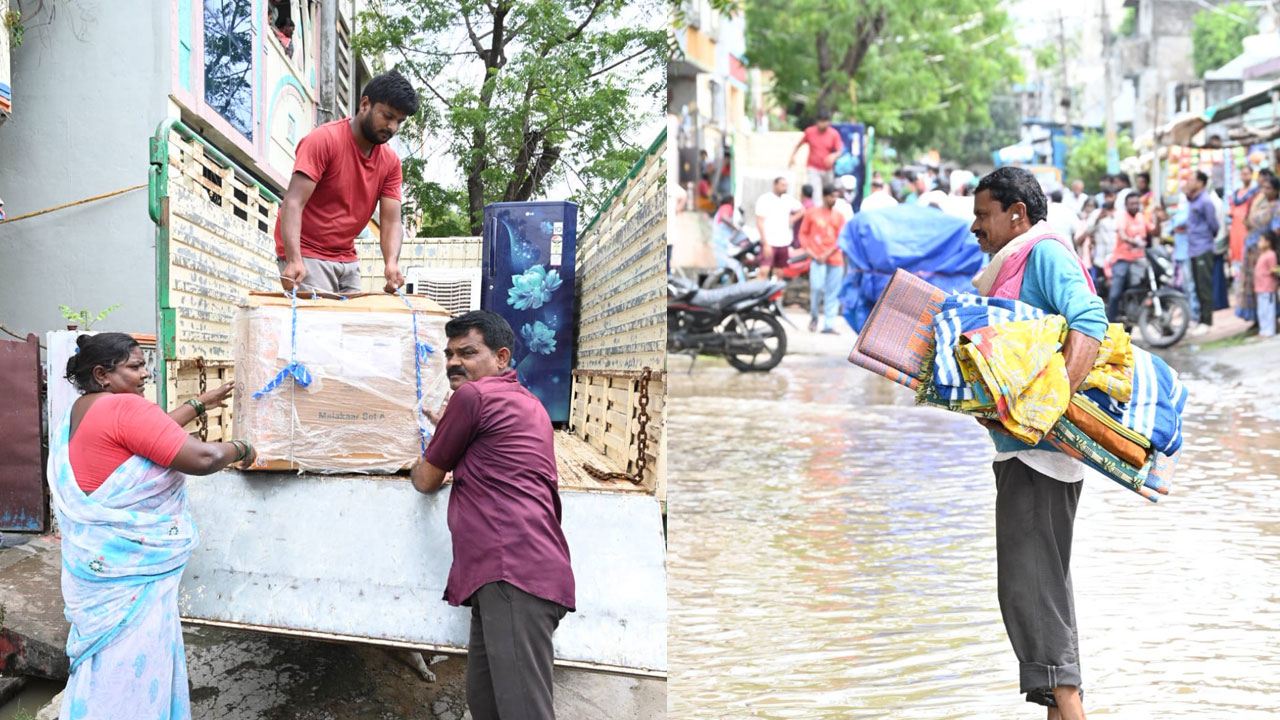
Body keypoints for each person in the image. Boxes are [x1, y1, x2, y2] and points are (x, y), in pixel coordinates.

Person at [48, 333, 254, 719]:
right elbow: (206, 458)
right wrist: (245, 450)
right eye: (135, 366)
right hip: (130, 581)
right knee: (133, 669)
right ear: (101, 374)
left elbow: (142, 434)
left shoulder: (81, 410)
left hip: (96, 577)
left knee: (105, 669)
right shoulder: (124, 408)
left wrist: (199, 404)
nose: (146, 374)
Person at [969, 167, 1105, 720]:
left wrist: (1046, 409)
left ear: (1016, 214)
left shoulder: (1044, 254)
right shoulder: (1010, 267)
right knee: (1041, 606)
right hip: (1024, 457)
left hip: (1040, 459)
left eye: (984, 214)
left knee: (1034, 607)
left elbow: (1089, 321)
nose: (975, 226)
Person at [411, 311, 574, 720]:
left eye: (468, 352)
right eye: (449, 354)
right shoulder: (529, 403)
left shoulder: (473, 397)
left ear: (502, 357)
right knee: (484, 702)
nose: (453, 362)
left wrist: (419, 455)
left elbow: (427, 479)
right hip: (509, 574)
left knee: (522, 712)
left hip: (512, 572)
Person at [276, 71, 419, 295]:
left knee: (351, 326)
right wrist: (294, 259)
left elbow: (391, 221)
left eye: (399, 122)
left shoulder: (390, 163)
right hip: (306, 251)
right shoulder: (324, 140)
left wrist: (391, 262)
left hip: (346, 255)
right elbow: (293, 202)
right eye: (387, 116)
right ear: (365, 105)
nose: (392, 127)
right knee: (319, 327)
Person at [798, 186, 846, 334]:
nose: (834, 200)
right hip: (816, 258)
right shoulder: (811, 213)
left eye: (836, 197)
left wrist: (828, 254)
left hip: (834, 259)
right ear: (825, 197)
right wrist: (810, 252)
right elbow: (803, 234)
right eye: (832, 196)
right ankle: (814, 317)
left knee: (833, 292)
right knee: (816, 288)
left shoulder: (839, 216)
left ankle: (829, 324)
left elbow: (841, 239)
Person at [1106, 192, 1156, 321]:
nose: (1134, 206)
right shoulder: (1122, 217)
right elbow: (1122, 233)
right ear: (1126, 205)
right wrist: (1133, 241)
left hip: (1139, 260)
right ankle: (1110, 322)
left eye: (1136, 203)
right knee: (1115, 293)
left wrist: (1160, 219)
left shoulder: (1141, 217)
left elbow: (1154, 231)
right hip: (1122, 259)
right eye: (1131, 204)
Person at [1238, 176, 1280, 326]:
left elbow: (1276, 230)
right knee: (1255, 286)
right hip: (1254, 251)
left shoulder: (1276, 207)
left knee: (1267, 288)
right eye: (1264, 188)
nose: (1265, 191)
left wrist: (1267, 247)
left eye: (1268, 188)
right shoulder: (1262, 204)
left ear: (1276, 191)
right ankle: (1259, 320)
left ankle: (1271, 321)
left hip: (1265, 253)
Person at [1186, 170, 1221, 329]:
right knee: (1198, 287)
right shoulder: (1194, 200)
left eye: (1191, 179)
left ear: (1200, 183)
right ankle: (1201, 320)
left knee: (1204, 287)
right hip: (1193, 249)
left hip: (1203, 248)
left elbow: (1214, 225)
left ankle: (1207, 321)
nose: (1189, 182)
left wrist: (1206, 239)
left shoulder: (1206, 201)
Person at [754, 177, 804, 281]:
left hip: (783, 241)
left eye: (786, 185)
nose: (784, 187)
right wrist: (765, 243)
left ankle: (777, 296)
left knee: (779, 272)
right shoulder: (765, 199)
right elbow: (759, 221)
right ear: (775, 185)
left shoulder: (788, 199)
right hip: (769, 241)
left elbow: (802, 210)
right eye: (782, 185)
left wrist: (792, 219)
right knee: (764, 270)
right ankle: (757, 294)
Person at [788, 113, 844, 192]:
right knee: (815, 193)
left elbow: (840, 151)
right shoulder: (810, 132)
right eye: (821, 121)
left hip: (827, 169)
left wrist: (833, 156)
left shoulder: (833, 134)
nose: (822, 124)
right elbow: (798, 145)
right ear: (817, 121)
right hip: (813, 168)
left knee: (828, 193)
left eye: (825, 121)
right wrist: (792, 156)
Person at [1228, 164, 1258, 267]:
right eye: (1242, 174)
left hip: (1248, 228)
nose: (1244, 176)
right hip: (1236, 229)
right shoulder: (1236, 194)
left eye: (1247, 174)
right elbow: (1231, 212)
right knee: (1237, 258)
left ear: (1251, 175)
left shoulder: (1255, 193)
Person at [1255, 230, 1278, 337]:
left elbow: (1274, 270)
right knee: (1262, 311)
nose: (1258, 243)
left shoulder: (1271, 255)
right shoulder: (1262, 255)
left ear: (1268, 242)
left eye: (1261, 240)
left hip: (1268, 288)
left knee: (1269, 311)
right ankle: (1263, 330)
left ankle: (1269, 330)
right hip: (1260, 288)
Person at [711, 195, 742, 271]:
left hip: (719, 241)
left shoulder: (721, 208)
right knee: (727, 265)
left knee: (722, 265)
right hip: (722, 242)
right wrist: (736, 228)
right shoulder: (727, 206)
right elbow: (724, 218)